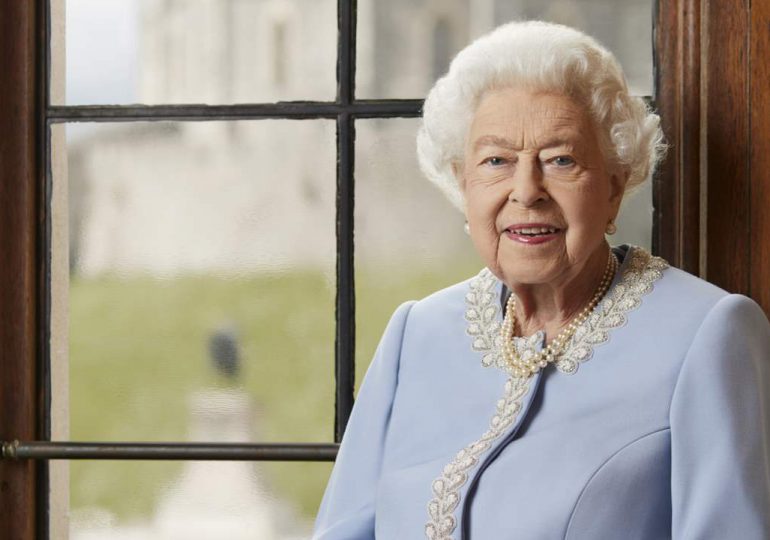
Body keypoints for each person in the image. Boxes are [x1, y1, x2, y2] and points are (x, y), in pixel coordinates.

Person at [313, 21, 770, 539]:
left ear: (615, 187)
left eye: (560, 159)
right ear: (464, 185)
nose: (526, 190)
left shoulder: (706, 334)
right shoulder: (415, 334)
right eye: (496, 161)